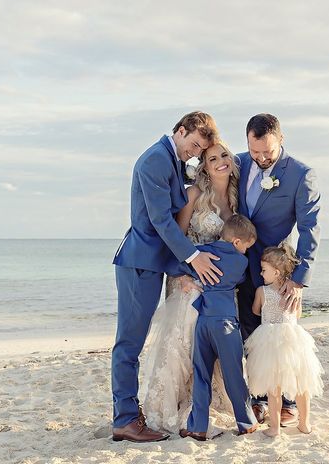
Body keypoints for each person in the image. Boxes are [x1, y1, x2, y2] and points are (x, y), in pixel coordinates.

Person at [111, 111, 224, 443]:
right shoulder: (155, 160)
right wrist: (192, 257)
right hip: (139, 263)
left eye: (197, 150)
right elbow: (161, 221)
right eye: (191, 145)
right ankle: (125, 420)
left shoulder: (173, 159)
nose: (192, 153)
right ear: (180, 129)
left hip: (156, 264)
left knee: (134, 342)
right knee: (129, 344)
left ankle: (129, 415)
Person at [140, 140, 240, 435]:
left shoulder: (236, 201)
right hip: (187, 280)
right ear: (205, 168)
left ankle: (205, 404)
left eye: (224, 155)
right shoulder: (193, 194)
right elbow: (174, 238)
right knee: (184, 343)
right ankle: (179, 406)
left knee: (213, 344)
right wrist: (182, 275)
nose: (221, 161)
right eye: (212, 159)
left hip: (218, 286)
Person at [237, 113, 321, 426]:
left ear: (281, 140)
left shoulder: (301, 174)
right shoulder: (239, 162)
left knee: (283, 336)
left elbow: (310, 228)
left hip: (276, 273)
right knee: (250, 335)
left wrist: (298, 280)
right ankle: (260, 398)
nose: (260, 158)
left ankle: (288, 403)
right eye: (254, 151)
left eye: (267, 153)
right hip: (240, 269)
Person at [165, 214, 259, 441]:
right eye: (246, 247)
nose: (246, 252)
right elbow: (240, 279)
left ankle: (198, 426)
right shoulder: (241, 262)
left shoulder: (203, 252)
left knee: (201, 374)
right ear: (237, 242)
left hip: (203, 322)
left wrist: (188, 274)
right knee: (233, 373)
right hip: (225, 324)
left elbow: (176, 264)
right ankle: (246, 421)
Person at [245, 244, 324, 437]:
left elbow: (256, 311)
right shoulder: (295, 291)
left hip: (269, 342)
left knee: (274, 388)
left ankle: (275, 428)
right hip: (293, 340)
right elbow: (298, 313)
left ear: (277, 272)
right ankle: (304, 424)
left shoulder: (262, 291)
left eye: (264, 270)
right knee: (301, 384)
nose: (261, 274)